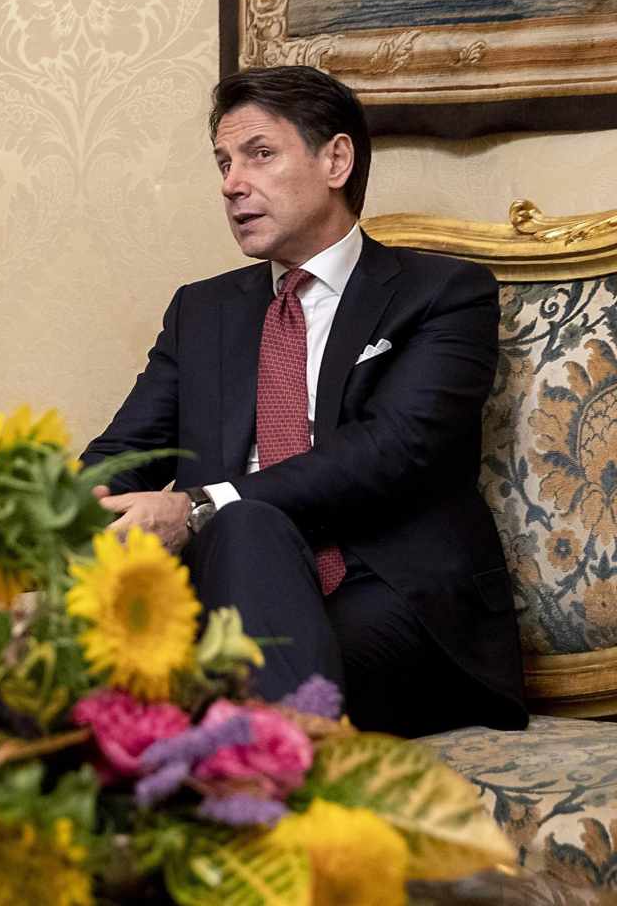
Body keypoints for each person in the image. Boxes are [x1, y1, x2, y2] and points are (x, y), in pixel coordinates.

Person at [81, 65, 527, 737]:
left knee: (237, 530)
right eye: (224, 162)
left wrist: (202, 505)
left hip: (391, 599)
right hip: (221, 595)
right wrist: (71, 506)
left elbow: (392, 449)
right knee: (39, 661)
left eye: (259, 154)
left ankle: (269, 772)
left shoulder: (443, 293)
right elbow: (127, 453)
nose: (232, 183)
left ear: (335, 160)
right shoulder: (202, 312)